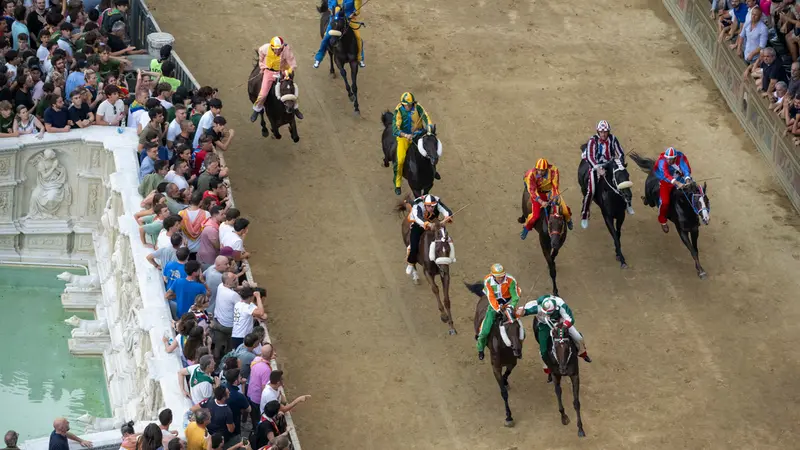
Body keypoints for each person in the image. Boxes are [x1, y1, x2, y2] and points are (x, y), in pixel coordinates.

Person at [515, 294, 592, 373]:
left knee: (578, 337)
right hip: (545, 325)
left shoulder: (560, 304)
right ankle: (548, 367)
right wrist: (521, 312)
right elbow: (522, 311)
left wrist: (563, 327)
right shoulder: (536, 306)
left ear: (556, 308)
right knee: (543, 351)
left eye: (550, 313)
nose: (547, 314)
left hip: (561, 322)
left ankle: (582, 353)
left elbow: (570, 318)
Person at [579, 120, 629, 229]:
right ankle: (584, 213)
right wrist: (597, 168)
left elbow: (620, 152)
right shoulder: (593, 141)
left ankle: (628, 203)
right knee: (591, 190)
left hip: (610, 164)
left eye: (605, 132)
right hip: (596, 167)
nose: (603, 134)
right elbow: (590, 157)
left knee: (623, 178)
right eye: (601, 132)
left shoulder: (613, 139)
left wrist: (619, 162)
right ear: (598, 132)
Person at [249, 36, 303, 123]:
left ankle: (296, 108)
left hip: (282, 71)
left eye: (279, 49)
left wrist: (287, 72)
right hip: (269, 72)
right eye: (275, 49)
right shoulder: (265, 48)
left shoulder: (286, 50)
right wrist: (262, 66)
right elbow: (260, 54)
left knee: (290, 90)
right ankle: (257, 109)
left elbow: (293, 64)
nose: (277, 51)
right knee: (263, 94)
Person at [391, 92, 433, 195]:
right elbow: (395, 129)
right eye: (407, 105)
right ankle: (397, 183)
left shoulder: (417, 107)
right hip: (404, 138)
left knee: (431, 150)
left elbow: (426, 117)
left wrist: (429, 127)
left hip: (418, 135)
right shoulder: (398, 110)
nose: (409, 107)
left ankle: (433, 171)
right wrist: (405, 135)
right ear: (403, 104)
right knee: (400, 160)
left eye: (410, 104)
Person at [520, 158, 573, 240]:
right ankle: (526, 228)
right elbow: (532, 191)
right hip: (538, 194)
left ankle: (568, 220)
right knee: (535, 216)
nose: (540, 172)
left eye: (542, 171)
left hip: (550, 192)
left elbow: (555, 186)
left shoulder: (554, 171)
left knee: (565, 210)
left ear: (547, 169)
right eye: (538, 170)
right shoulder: (531, 174)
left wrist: (555, 197)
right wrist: (541, 202)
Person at [476, 264, 520, 360]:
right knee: (485, 331)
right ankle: (480, 348)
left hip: (508, 304)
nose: (501, 278)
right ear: (493, 276)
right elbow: (491, 298)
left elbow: (515, 296)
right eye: (498, 277)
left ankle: (518, 347)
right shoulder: (487, 280)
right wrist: (497, 309)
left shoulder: (511, 280)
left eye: (502, 276)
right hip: (494, 306)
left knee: (518, 328)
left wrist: (511, 306)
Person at [404, 194, 452, 277]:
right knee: (414, 245)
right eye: (429, 207)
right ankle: (411, 262)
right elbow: (418, 217)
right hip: (419, 225)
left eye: (433, 206)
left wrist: (446, 218)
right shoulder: (417, 206)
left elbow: (446, 211)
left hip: (433, 222)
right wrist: (428, 224)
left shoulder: (437, 203)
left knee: (445, 238)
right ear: (425, 205)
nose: (432, 208)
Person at [313, 0, 365, 68]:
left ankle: (360, 58)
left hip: (349, 19)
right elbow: (331, 4)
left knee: (358, 38)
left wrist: (354, 13)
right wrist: (335, 10)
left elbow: (357, 8)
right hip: (335, 19)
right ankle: (318, 58)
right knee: (326, 37)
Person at [654, 146, 693, 233]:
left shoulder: (680, 158)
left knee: (692, 191)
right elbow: (666, 174)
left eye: (670, 159)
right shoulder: (662, 161)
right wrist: (677, 183)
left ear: (675, 158)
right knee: (665, 202)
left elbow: (685, 169)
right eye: (667, 159)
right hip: (666, 182)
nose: (668, 161)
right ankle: (663, 220)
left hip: (679, 178)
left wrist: (687, 180)